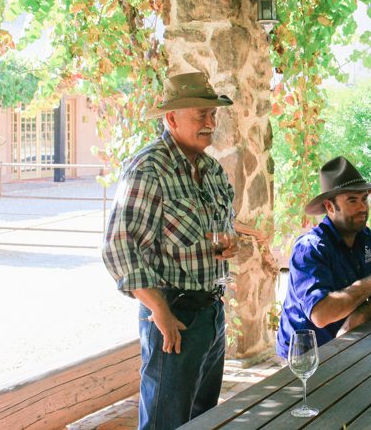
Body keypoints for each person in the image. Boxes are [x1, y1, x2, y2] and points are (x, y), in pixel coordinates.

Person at [102, 71, 269, 430]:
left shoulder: (210, 170)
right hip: (172, 317)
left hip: (211, 313)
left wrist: (231, 244)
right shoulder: (148, 168)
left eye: (213, 115)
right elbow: (120, 248)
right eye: (201, 115)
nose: (210, 123)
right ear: (172, 118)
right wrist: (159, 310)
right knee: (166, 423)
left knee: (203, 421)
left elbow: (221, 229)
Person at [276, 156, 371, 358]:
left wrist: (358, 318)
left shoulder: (366, 238)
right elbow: (321, 315)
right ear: (330, 207)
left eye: (364, 198)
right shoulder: (310, 248)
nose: (363, 208)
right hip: (305, 354)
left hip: (347, 343)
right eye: (352, 200)